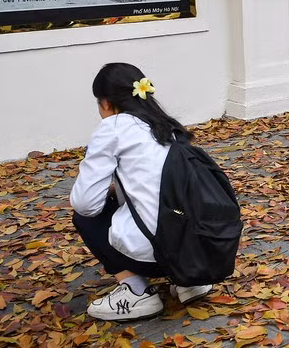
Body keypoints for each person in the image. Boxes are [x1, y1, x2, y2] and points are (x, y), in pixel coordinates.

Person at [69, 63, 213, 322]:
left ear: (105, 103)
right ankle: (188, 281)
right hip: (199, 247)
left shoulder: (112, 128)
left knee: (85, 217)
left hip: (157, 251)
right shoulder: (167, 126)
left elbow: (85, 203)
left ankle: (136, 292)